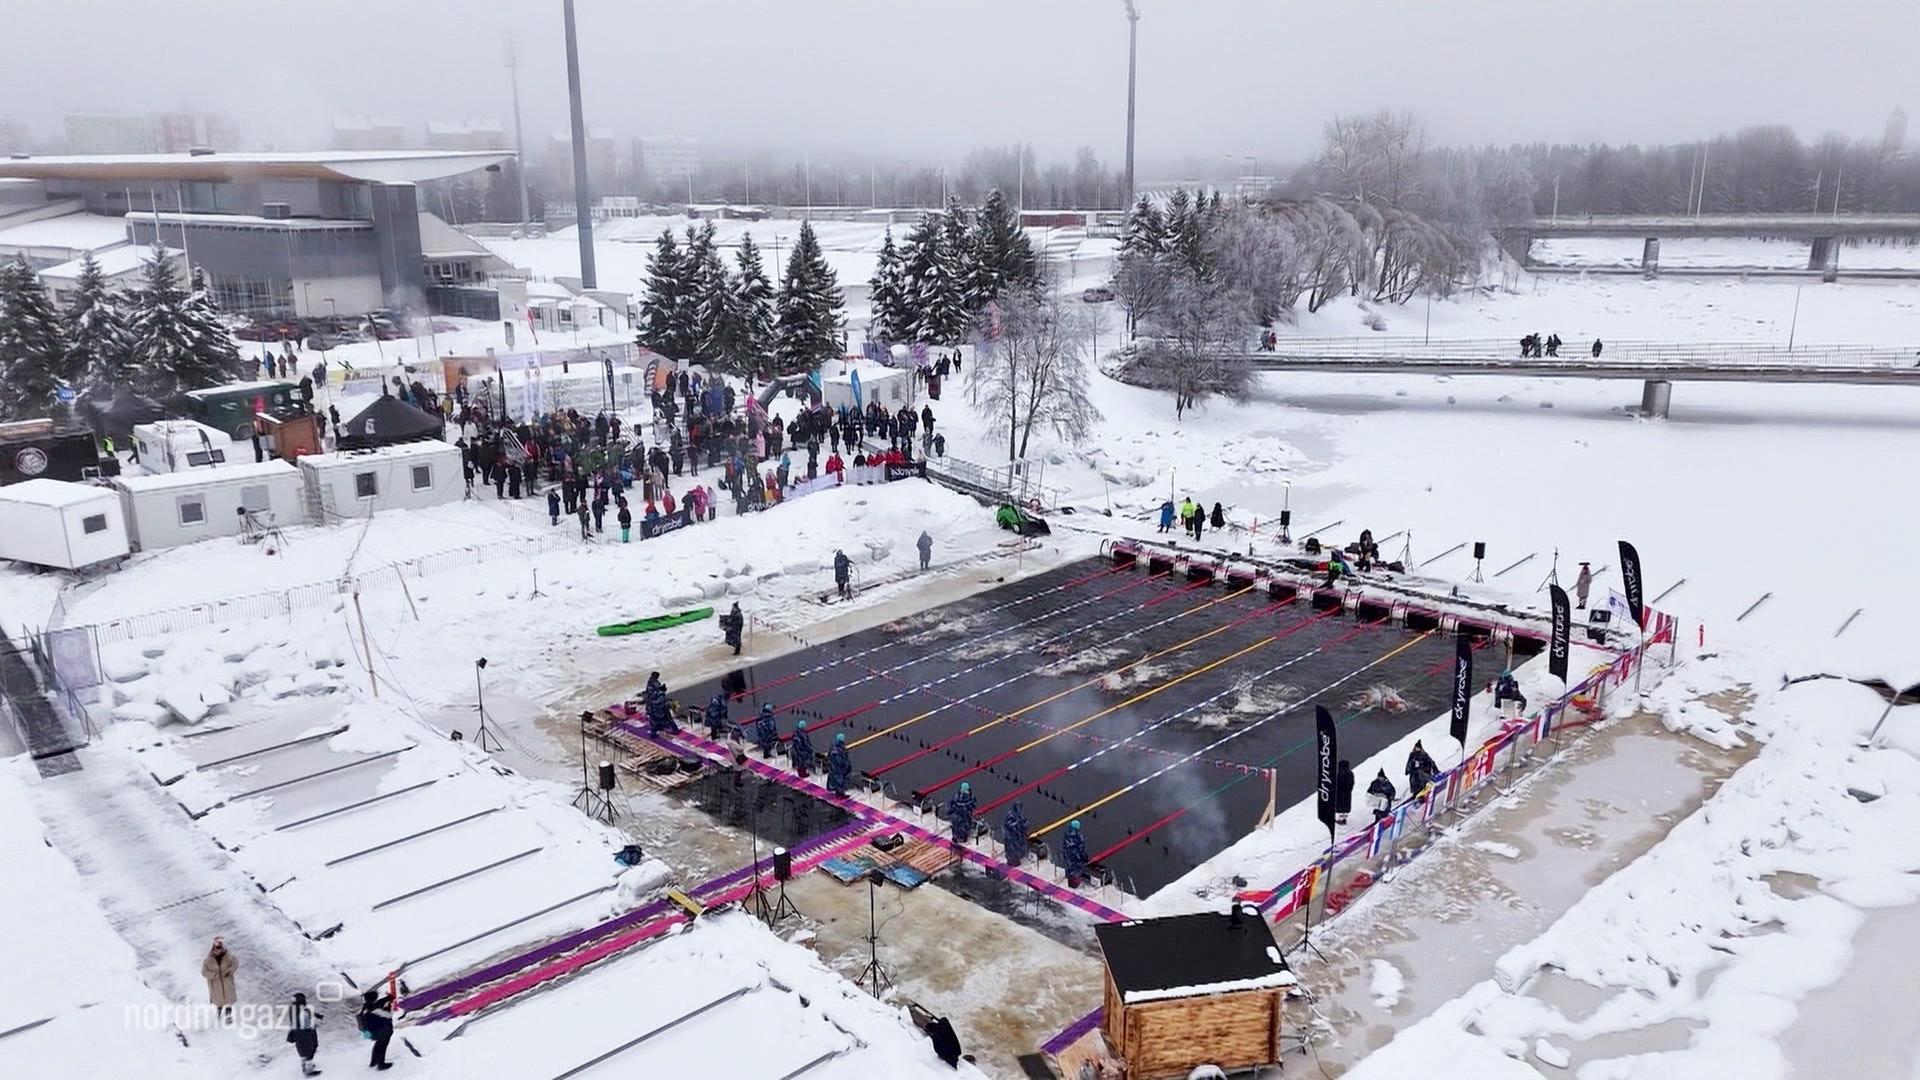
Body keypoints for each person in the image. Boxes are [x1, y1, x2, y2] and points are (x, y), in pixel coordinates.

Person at [358, 989, 394, 1071]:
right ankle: (381, 1064)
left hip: (371, 1032)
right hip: (381, 1031)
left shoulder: (366, 1006)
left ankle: (373, 1062)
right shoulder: (375, 1007)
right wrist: (388, 1003)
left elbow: (382, 1001)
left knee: (378, 1044)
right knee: (382, 1046)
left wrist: (388, 998)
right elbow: (388, 1015)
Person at [286, 992, 321, 1076]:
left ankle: (305, 1066)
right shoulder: (300, 1009)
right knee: (309, 1049)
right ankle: (308, 1070)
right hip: (305, 1032)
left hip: (299, 1032)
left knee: (303, 1050)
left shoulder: (293, 1007)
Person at [201, 937, 238, 1016]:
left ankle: (228, 1018)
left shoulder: (229, 957)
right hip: (216, 986)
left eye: (220, 947)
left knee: (229, 1002)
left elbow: (235, 963)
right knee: (219, 1003)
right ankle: (218, 1018)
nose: (218, 950)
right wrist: (213, 975)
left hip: (227, 983)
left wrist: (230, 971)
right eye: (216, 948)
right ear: (213, 948)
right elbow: (204, 972)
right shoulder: (208, 960)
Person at [946, 781, 977, 848]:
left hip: (958, 815)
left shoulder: (957, 796)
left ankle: (956, 837)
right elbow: (973, 805)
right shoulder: (970, 797)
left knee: (957, 826)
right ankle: (963, 837)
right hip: (964, 815)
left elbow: (952, 804)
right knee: (964, 826)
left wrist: (950, 811)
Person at [1062, 819, 1089, 887]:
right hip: (1076, 856)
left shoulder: (1067, 834)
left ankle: (1069, 881)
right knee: (1076, 870)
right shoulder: (1079, 836)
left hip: (1068, 855)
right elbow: (1081, 849)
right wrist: (1085, 858)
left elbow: (1064, 845)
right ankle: (1075, 884)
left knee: (1069, 868)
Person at [826, 732, 853, 796]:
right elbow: (843, 759)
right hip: (840, 766)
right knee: (841, 779)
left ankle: (835, 789)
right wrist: (847, 766)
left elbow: (829, 756)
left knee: (835, 778)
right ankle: (840, 793)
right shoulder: (842, 748)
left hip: (833, 766)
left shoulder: (833, 746)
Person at [1334, 758, 1356, 825]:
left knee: (1340, 806)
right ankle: (1344, 819)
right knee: (1345, 806)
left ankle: (1341, 819)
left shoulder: (1339, 774)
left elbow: (1336, 783)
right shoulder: (1350, 773)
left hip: (1340, 792)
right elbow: (1352, 783)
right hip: (1347, 792)